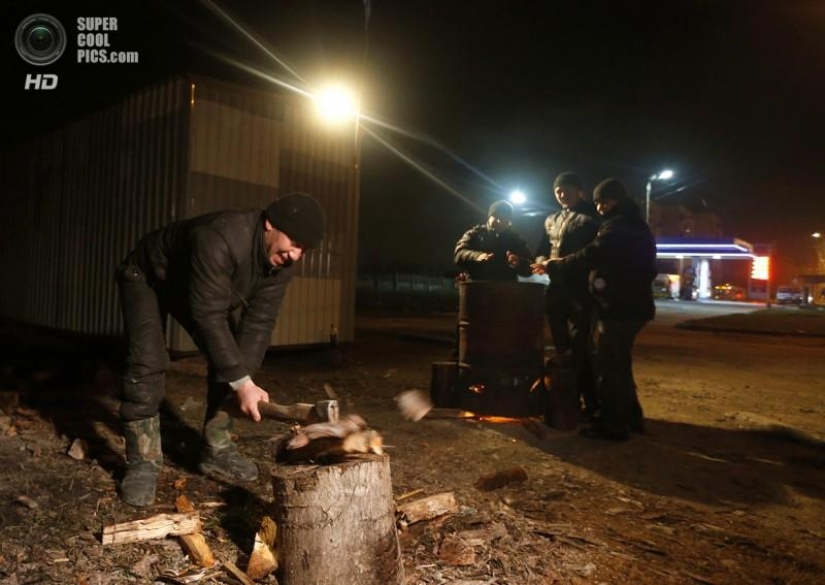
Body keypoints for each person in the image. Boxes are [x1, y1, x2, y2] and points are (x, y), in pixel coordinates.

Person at [115, 193, 325, 506]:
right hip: (148, 277)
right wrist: (240, 382)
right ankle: (143, 462)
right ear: (270, 224)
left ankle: (217, 446)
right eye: (292, 242)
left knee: (235, 359)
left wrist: (246, 380)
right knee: (148, 360)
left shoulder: (281, 264)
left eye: (303, 249)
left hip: (197, 289)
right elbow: (208, 317)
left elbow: (260, 322)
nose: (295, 255)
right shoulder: (219, 237)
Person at [536, 178, 657, 440]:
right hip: (628, 304)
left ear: (618, 199)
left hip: (620, 305)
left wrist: (556, 265)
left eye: (606, 201)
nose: (601, 206)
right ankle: (632, 418)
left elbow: (593, 253)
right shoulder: (629, 222)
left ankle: (613, 424)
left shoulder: (618, 225)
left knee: (609, 365)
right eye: (598, 201)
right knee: (620, 364)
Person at [532, 172, 601, 419]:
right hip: (556, 289)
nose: (562, 194)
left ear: (579, 191)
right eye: (558, 190)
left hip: (581, 290)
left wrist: (558, 263)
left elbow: (594, 253)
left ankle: (592, 402)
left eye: (567, 189)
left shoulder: (592, 218)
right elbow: (541, 249)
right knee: (562, 349)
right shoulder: (551, 220)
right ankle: (570, 399)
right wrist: (541, 262)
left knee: (581, 348)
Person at [454, 200, 534, 282]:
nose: (500, 221)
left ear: (510, 221)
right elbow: (459, 254)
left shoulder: (515, 240)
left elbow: (532, 266)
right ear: (489, 217)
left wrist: (519, 262)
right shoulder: (474, 234)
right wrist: (476, 256)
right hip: (477, 288)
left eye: (505, 218)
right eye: (497, 216)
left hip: (506, 289)